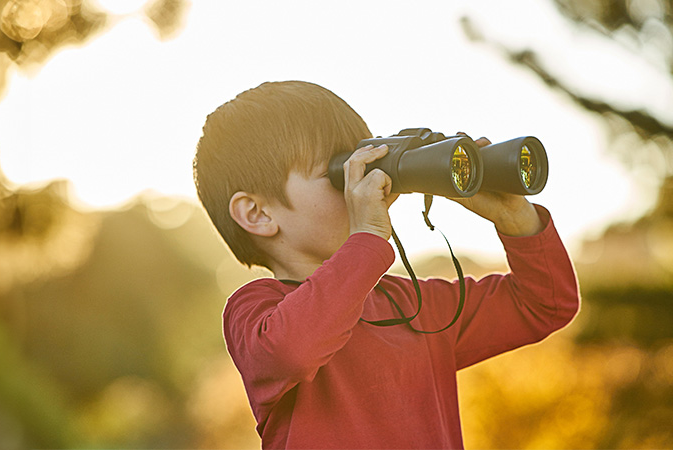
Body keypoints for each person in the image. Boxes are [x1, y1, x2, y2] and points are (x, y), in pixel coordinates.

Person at [192, 80, 580, 449]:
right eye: (337, 172)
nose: (359, 183)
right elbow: (290, 352)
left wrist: (514, 218)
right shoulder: (256, 309)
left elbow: (545, 304)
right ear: (258, 213)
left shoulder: (417, 307)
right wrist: (367, 238)